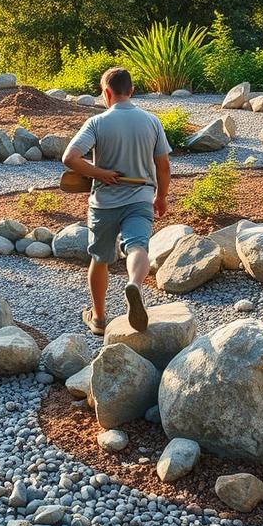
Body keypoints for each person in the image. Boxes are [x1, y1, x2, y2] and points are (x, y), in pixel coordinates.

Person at [62, 66, 171, 335]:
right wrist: (161, 197)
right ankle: (134, 283)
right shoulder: (151, 121)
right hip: (141, 197)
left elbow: (70, 158)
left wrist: (101, 173)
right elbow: (164, 167)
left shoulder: (97, 123)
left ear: (106, 93)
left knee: (100, 258)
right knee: (137, 248)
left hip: (104, 203)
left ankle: (98, 319)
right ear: (131, 91)